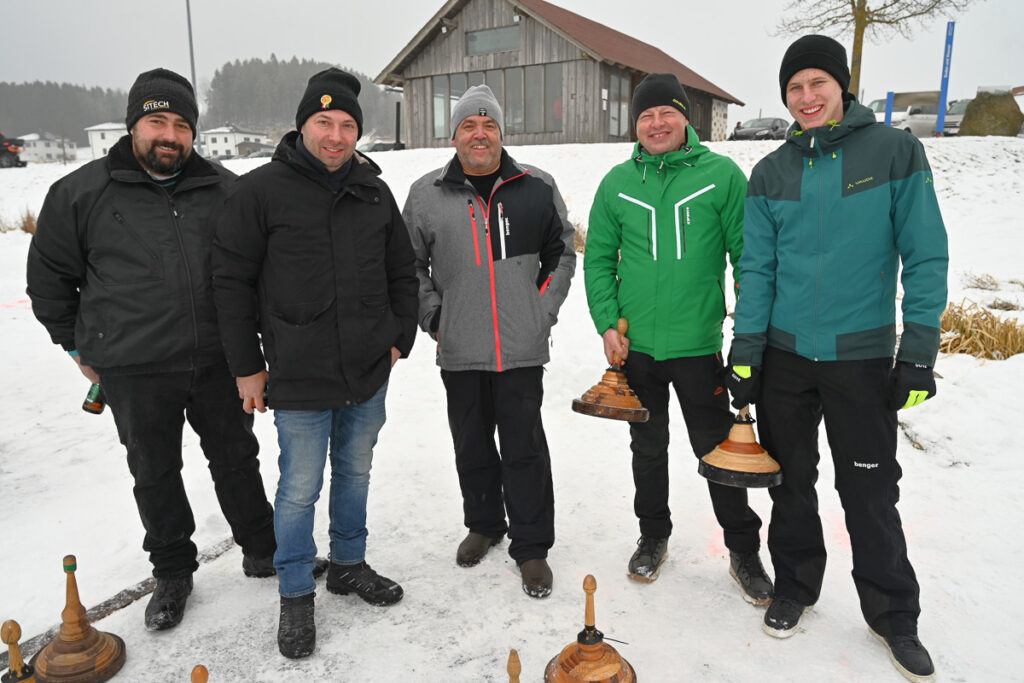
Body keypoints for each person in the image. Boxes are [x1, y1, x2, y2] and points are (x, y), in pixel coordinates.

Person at [26, 68, 277, 632]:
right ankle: (172, 571)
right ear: (133, 125)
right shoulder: (80, 193)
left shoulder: (225, 189)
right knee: (154, 471)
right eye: (157, 121)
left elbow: (255, 271)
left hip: (217, 359)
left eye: (182, 125)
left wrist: (255, 347)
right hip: (133, 365)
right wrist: (77, 346)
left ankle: (263, 549)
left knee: (237, 458)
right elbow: (49, 280)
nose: (170, 135)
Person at [728, 35, 948, 681]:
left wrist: (918, 351)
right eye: (794, 88)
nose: (807, 96)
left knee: (870, 490)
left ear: (841, 86)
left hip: (861, 357)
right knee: (790, 482)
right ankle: (795, 585)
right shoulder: (771, 172)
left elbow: (926, 254)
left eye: (817, 83)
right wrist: (746, 352)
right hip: (786, 357)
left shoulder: (893, 152)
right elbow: (757, 270)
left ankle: (893, 613)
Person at [211, 67, 418, 659]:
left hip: (367, 370)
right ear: (302, 125)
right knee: (300, 488)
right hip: (298, 373)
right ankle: (296, 590)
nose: (335, 135)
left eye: (347, 125)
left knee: (355, 472)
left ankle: (348, 564)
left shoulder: (374, 192)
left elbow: (402, 272)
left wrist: (398, 339)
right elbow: (230, 283)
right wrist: (247, 367)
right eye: (324, 122)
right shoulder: (259, 192)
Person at [583, 73, 772, 604]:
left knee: (720, 451)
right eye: (646, 116)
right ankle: (653, 536)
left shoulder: (721, 176)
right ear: (635, 125)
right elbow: (598, 260)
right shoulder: (617, 183)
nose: (657, 123)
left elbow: (748, 259)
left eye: (667, 112)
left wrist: (747, 332)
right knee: (647, 448)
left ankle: (743, 550)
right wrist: (607, 323)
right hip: (636, 349)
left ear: (686, 118)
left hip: (697, 347)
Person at [402, 85, 575, 599]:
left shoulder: (536, 186)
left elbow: (562, 253)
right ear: (454, 135)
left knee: (524, 447)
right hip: (460, 347)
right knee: (471, 443)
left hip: (521, 347)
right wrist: (435, 317)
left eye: (489, 125)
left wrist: (541, 311)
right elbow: (408, 267)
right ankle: (484, 524)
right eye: (469, 126)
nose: (480, 134)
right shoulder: (426, 194)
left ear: (501, 132)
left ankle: (532, 546)